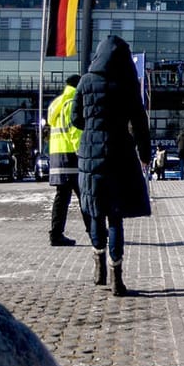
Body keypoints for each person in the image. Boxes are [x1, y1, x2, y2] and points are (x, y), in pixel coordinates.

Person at [73, 36, 152, 297]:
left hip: (90, 154)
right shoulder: (128, 84)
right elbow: (140, 123)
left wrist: (94, 128)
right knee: (115, 215)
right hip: (120, 153)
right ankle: (118, 277)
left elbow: (76, 119)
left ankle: (99, 266)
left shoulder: (85, 81)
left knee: (96, 211)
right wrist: (145, 154)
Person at [45, 74, 87, 247]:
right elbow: (75, 131)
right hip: (71, 157)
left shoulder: (58, 104)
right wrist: (82, 153)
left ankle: (56, 234)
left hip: (57, 157)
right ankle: (94, 231)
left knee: (62, 197)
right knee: (85, 195)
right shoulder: (72, 104)